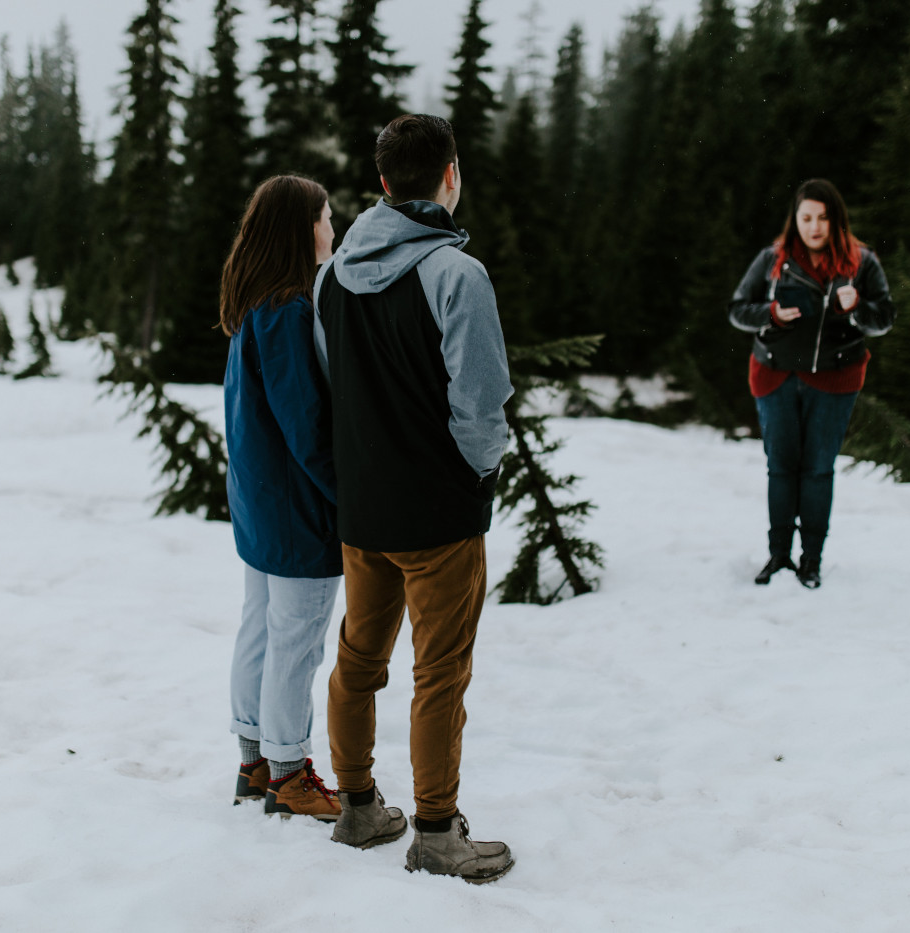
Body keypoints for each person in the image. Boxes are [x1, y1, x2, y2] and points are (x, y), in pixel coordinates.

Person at [313, 114, 515, 883]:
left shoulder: (333, 275)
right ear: (450, 177)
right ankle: (435, 830)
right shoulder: (457, 276)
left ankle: (357, 805)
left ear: (384, 183)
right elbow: (481, 400)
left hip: (363, 509)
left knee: (358, 659)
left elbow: (338, 383)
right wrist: (477, 475)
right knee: (440, 672)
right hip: (437, 514)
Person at [222, 175, 343, 821]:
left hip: (262, 505)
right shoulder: (291, 309)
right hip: (298, 512)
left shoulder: (254, 305)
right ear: (302, 229)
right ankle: (289, 772)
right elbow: (308, 426)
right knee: (295, 639)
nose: (333, 228)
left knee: (261, 630)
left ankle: (255, 757)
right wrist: (348, 501)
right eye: (326, 217)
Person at [728, 178, 896, 588]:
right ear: (796, 220)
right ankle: (778, 557)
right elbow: (737, 309)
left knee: (818, 470)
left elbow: (885, 318)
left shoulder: (862, 262)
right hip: (776, 375)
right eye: (806, 218)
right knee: (781, 468)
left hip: (835, 379)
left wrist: (857, 308)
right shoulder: (773, 259)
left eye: (822, 217)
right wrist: (770, 313)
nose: (814, 227)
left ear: (836, 220)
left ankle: (811, 562)